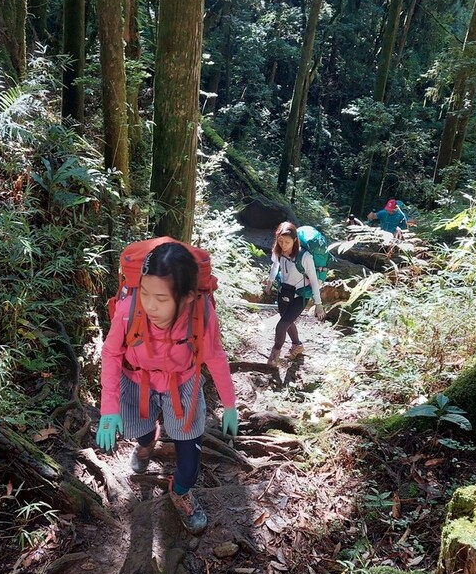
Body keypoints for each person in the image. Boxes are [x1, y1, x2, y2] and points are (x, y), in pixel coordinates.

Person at [96, 242, 238, 534]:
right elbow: (111, 354)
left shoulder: (201, 316)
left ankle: (180, 490)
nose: (149, 306)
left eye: (161, 298)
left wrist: (230, 403)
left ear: (186, 297)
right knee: (142, 431)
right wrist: (109, 409)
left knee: (189, 466)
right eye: (145, 293)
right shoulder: (128, 309)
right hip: (137, 380)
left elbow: (215, 356)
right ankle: (148, 443)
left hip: (183, 383)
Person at [264, 221, 325, 367]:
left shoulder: (305, 257)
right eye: (280, 241)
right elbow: (275, 265)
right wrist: (270, 282)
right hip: (284, 291)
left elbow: (314, 281)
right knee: (287, 321)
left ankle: (274, 355)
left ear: (295, 240)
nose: (283, 245)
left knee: (281, 326)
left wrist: (318, 304)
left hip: (300, 295)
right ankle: (297, 345)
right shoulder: (278, 250)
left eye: (287, 242)